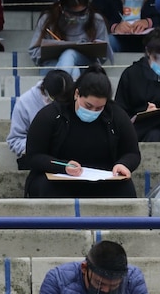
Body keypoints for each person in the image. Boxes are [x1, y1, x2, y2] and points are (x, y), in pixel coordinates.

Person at [24, 64, 141, 198]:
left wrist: (123, 164)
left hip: (103, 180)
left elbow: (132, 152)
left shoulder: (116, 116)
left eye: (99, 108)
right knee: (47, 189)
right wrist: (63, 166)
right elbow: (34, 156)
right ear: (77, 94)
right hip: (58, 178)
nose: (93, 111)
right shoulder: (52, 115)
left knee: (126, 189)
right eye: (88, 106)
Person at [29, 0, 113, 80]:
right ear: (62, 8)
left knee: (70, 53)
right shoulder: (48, 20)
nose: (78, 17)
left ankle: (58, 86)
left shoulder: (96, 20)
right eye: (73, 14)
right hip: (52, 66)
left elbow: (103, 55)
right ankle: (64, 86)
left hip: (86, 66)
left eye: (82, 12)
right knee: (74, 69)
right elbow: (34, 52)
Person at [7, 70, 74, 169]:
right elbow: (14, 140)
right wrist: (37, 145)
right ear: (46, 93)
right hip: (39, 157)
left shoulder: (73, 100)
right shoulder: (25, 103)